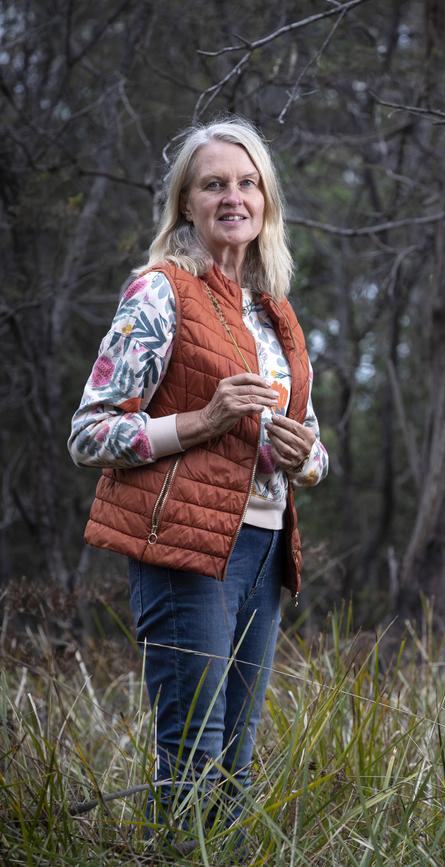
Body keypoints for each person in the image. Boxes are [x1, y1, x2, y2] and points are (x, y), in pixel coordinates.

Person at [68, 116, 328, 844]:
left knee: (234, 768)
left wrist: (304, 450)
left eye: (248, 184)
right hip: (184, 551)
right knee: (192, 759)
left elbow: (317, 455)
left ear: (266, 204)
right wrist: (203, 420)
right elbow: (89, 432)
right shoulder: (158, 292)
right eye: (214, 183)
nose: (233, 196)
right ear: (186, 201)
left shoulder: (277, 313)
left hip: (266, 550)